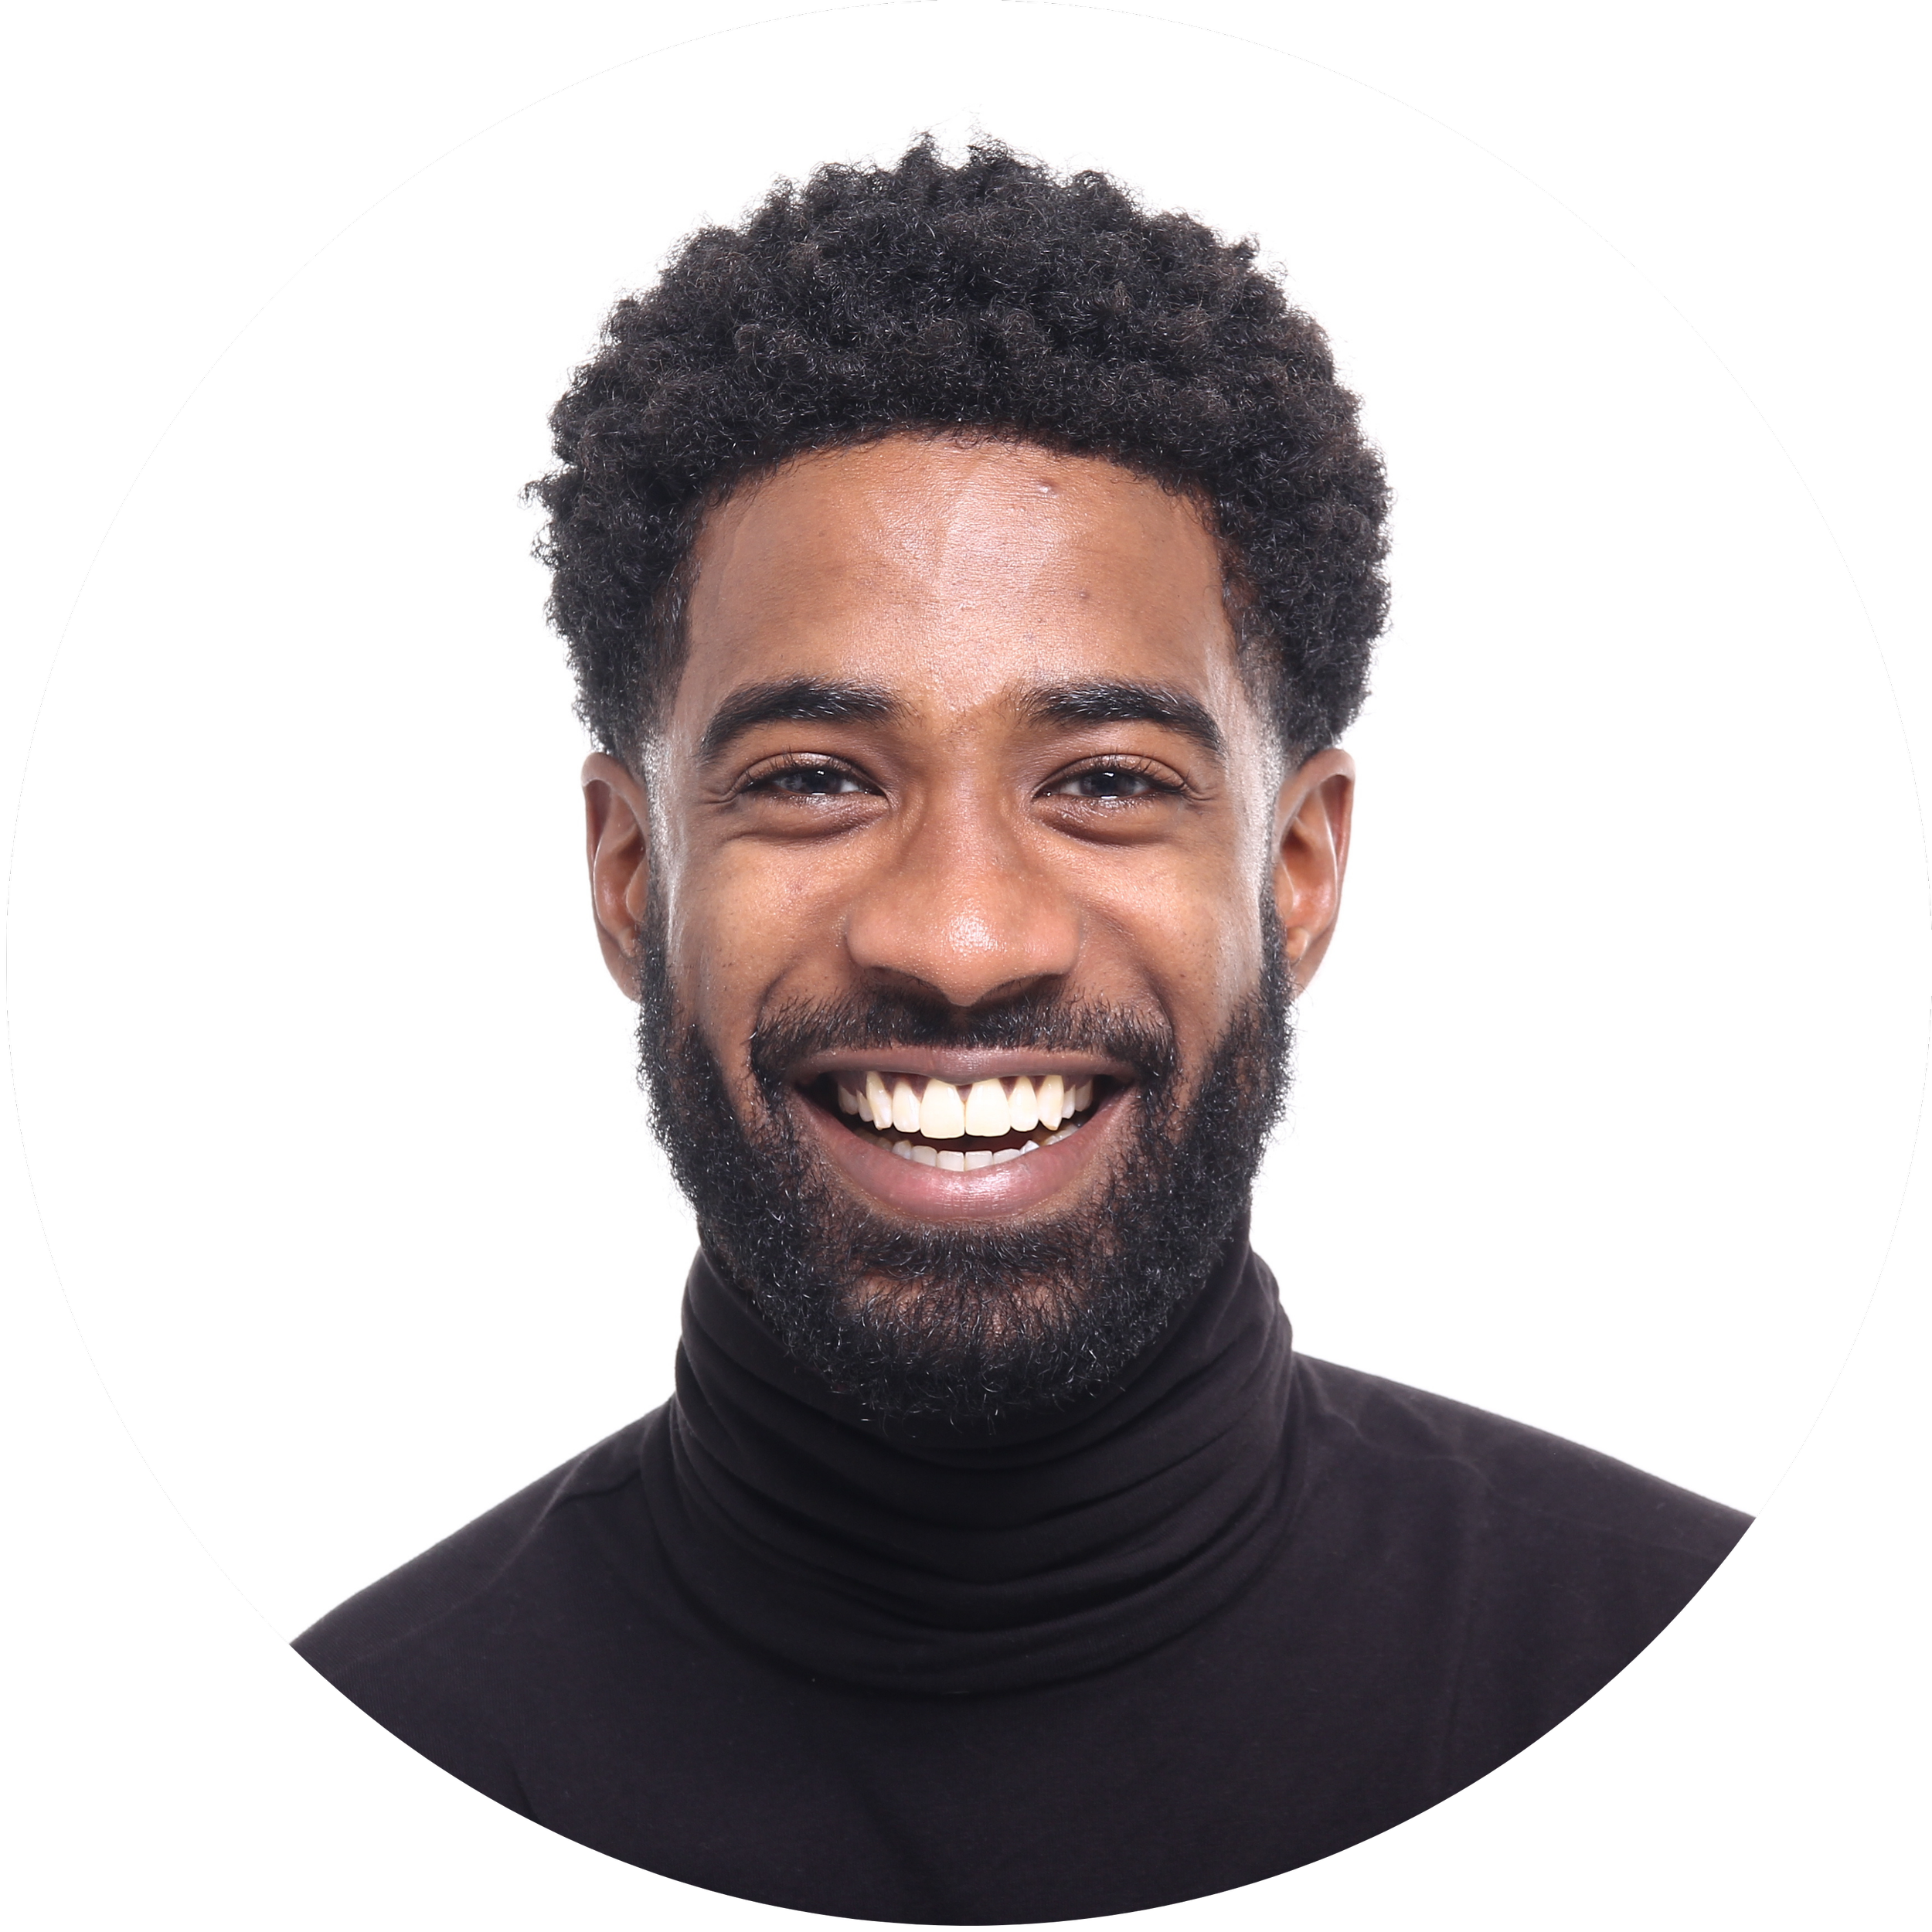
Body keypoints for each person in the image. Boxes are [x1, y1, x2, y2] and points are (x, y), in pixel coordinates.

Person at [296, 139, 1747, 1922]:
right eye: (813, 777)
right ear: (628, 871)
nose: (961, 936)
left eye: (1107, 780)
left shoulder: (1645, 1627)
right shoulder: (394, 1715)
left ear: (1295, 870)